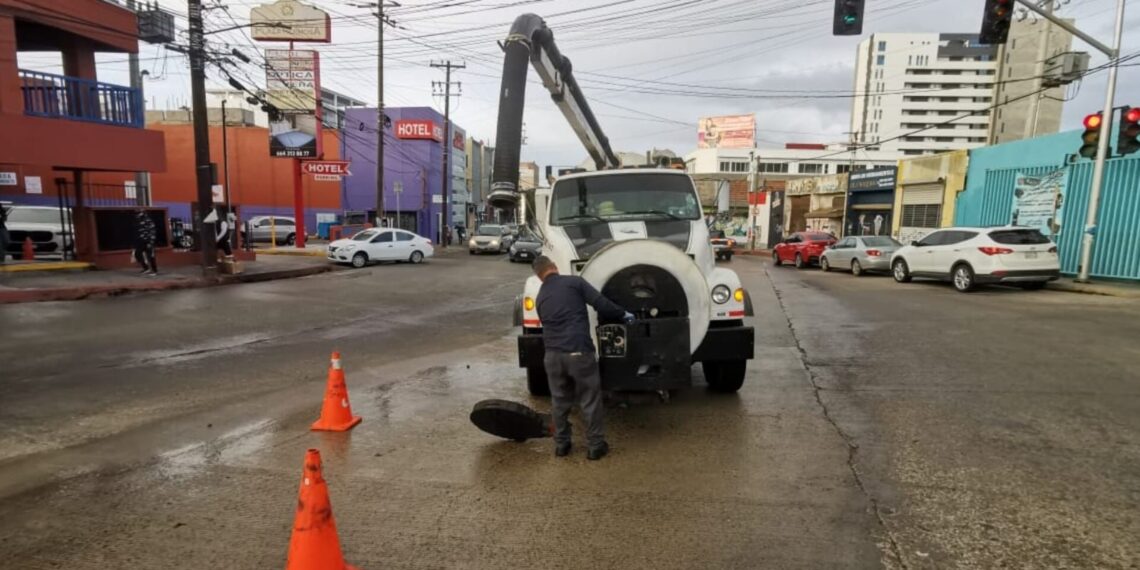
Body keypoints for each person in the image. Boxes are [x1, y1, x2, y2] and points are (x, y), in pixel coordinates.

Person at [531, 255, 634, 461]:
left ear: (539, 276)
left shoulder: (540, 297)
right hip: (578, 351)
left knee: (559, 401)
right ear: (555, 267)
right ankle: (595, 446)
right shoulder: (574, 283)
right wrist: (623, 314)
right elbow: (601, 304)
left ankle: (562, 445)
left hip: (552, 356)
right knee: (589, 399)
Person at [134, 209, 157, 276]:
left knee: (150, 256)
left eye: (139, 213)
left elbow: (152, 232)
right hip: (141, 241)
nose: (137, 215)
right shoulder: (139, 220)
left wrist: (151, 242)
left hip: (148, 241)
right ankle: (146, 268)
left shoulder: (148, 221)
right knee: (137, 253)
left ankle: (154, 271)